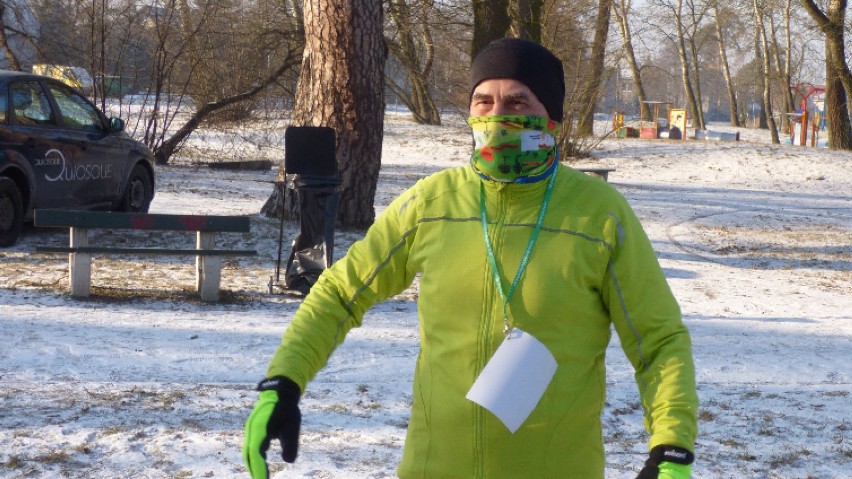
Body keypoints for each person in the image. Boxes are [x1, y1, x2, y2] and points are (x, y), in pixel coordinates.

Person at [243, 37, 698, 479]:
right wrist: (282, 382)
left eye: (518, 102)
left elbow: (657, 341)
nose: (497, 116)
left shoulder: (599, 214)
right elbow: (340, 293)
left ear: (552, 118)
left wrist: (671, 447)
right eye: (484, 101)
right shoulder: (432, 203)